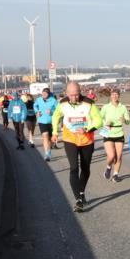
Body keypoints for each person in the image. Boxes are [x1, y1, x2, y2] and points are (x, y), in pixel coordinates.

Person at [51, 81, 103, 212]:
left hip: (87, 140)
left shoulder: (89, 103)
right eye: (72, 95)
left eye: (77, 94)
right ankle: (78, 199)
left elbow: (99, 121)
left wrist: (87, 128)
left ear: (80, 92)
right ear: (66, 93)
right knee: (74, 167)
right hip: (70, 139)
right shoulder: (62, 103)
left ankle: (81, 192)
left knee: (85, 169)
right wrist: (55, 132)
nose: (74, 97)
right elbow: (56, 116)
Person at [100, 88, 130, 182]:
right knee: (111, 155)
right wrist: (106, 122)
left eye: (116, 94)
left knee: (119, 155)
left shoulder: (123, 107)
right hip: (108, 132)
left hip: (119, 133)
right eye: (113, 94)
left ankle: (115, 174)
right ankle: (108, 167)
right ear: (110, 96)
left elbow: (128, 121)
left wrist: (124, 120)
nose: (115, 96)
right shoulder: (106, 107)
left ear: (119, 96)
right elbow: (99, 118)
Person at [34, 87, 58, 161]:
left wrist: (51, 111)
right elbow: (35, 106)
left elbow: (58, 110)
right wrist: (37, 111)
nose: (43, 94)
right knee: (45, 136)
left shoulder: (53, 100)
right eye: (43, 93)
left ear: (48, 94)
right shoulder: (39, 99)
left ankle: (49, 150)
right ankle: (46, 154)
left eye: (45, 93)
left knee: (50, 138)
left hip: (51, 121)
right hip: (42, 121)